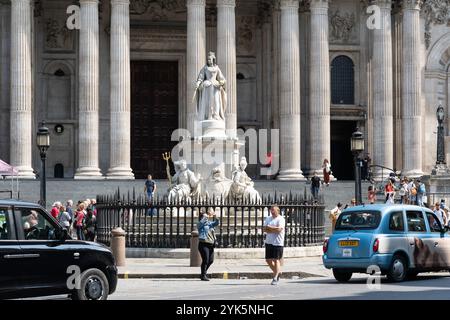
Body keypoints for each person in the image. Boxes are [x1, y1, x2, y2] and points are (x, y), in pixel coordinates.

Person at [195, 51, 227, 121]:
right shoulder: (205, 68)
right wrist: (198, 83)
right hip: (207, 86)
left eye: (210, 59)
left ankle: (216, 115)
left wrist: (222, 82)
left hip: (215, 86)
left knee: (216, 101)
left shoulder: (217, 68)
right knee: (207, 102)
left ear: (213, 59)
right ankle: (208, 116)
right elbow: (201, 77)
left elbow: (221, 78)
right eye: (208, 59)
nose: (208, 60)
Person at [263, 206, 285, 285]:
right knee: (268, 260)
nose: (272, 211)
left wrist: (270, 228)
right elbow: (264, 229)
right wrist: (273, 229)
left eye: (273, 210)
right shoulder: (268, 218)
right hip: (269, 241)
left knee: (276, 260)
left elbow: (279, 230)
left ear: (278, 211)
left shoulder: (281, 219)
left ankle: (275, 277)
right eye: (271, 210)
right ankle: (278, 272)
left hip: (278, 242)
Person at [197, 208, 219, 281]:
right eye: (204, 218)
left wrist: (215, 216)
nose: (206, 219)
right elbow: (202, 221)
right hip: (204, 244)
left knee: (211, 260)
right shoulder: (200, 225)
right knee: (205, 260)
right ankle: (203, 275)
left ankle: (203, 273)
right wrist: (206, 216)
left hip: (211, 244)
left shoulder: (210, 224)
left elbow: (216, 223)